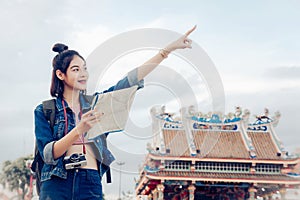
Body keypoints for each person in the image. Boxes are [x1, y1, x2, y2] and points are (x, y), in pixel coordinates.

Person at [34, 26, 196, 200]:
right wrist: (79, 130)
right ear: (60, 74)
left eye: (85, 68)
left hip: (90, 182)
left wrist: (167, 50)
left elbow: (130, 81)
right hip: (56, 182)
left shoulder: (97, 104)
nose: (83, 74)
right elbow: (49, 154)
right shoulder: (45, 110)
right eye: (76, 69)